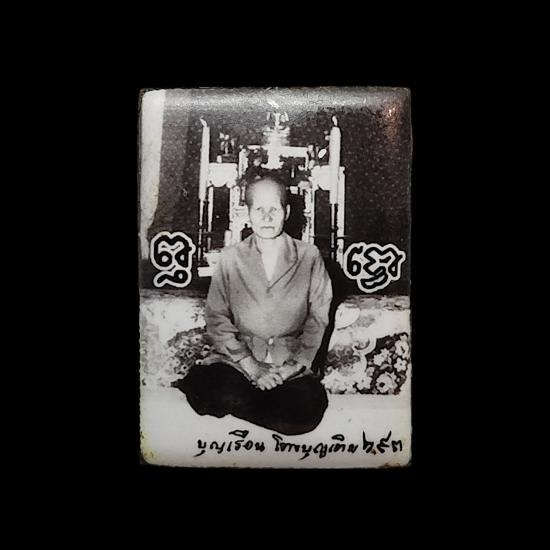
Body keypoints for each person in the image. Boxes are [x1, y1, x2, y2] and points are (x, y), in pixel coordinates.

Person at [176, 177, 333, 435]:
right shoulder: (230, 257)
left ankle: (236, 399)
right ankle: (251, 399)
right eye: (259, 209)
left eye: (275, 209)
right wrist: (253, 368)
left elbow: (318, 319)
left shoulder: (309, 256)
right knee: (219, 387)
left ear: (287, 212)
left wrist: (292, 367)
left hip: (287, 366)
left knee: (307, 410)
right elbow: (216, 318)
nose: (267, 217)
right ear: (247, 212)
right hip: (238, 363)